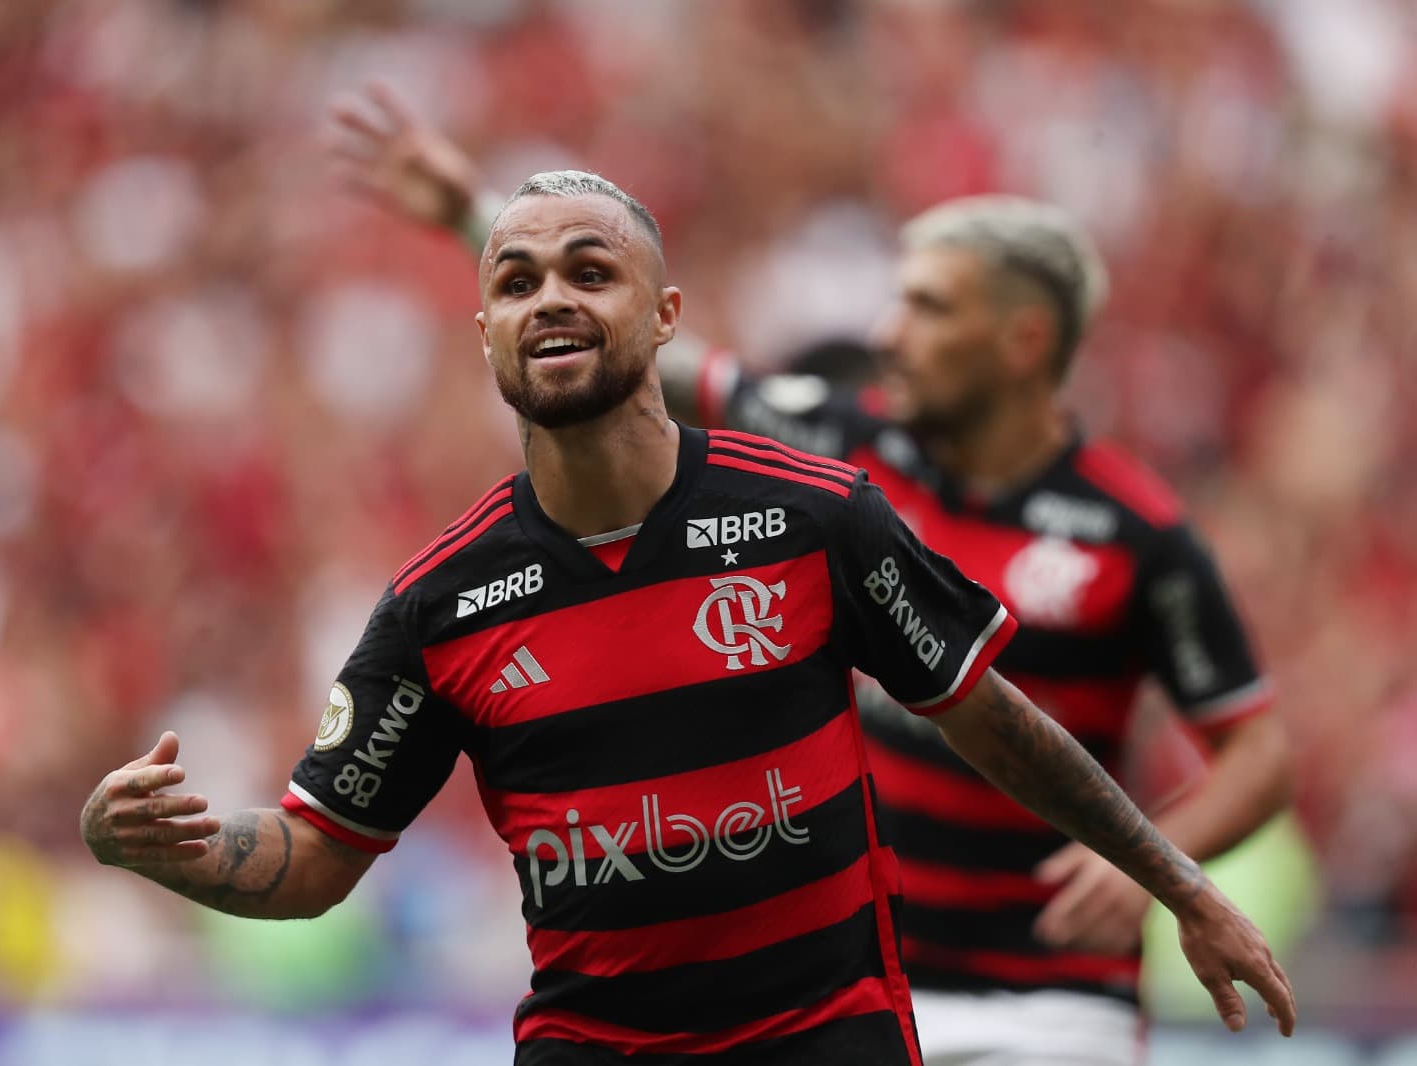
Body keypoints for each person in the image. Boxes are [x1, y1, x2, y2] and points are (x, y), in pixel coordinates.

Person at [82, 168, 1294, 1064]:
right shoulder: (437, 605)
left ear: (663, 317)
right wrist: (168, 848)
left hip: (837, 1037)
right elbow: (313, 857)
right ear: (485, 333)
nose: (549, 299)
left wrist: (1179, 885)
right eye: (515, 282)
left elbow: (991, 719)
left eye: (589, 272)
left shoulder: (817, 517)